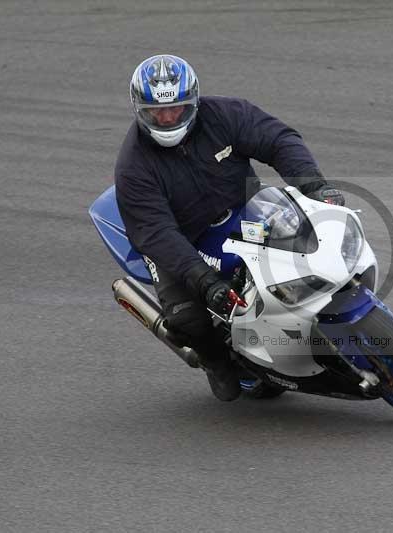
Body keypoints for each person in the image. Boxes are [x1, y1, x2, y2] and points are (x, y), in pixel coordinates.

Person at [114, 54, 344, 401]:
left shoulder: (226, 114)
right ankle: (215, 361)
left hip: (245, 208)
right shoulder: (133, 166)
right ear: (139, 110)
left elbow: (277, 139)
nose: (168, 118)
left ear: (193, 101)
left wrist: (315, 186)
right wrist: (204, 281)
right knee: (187, 318)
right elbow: (156, 232)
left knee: (309, 245)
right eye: (156, 112)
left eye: (176, 108)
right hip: (182, 239)